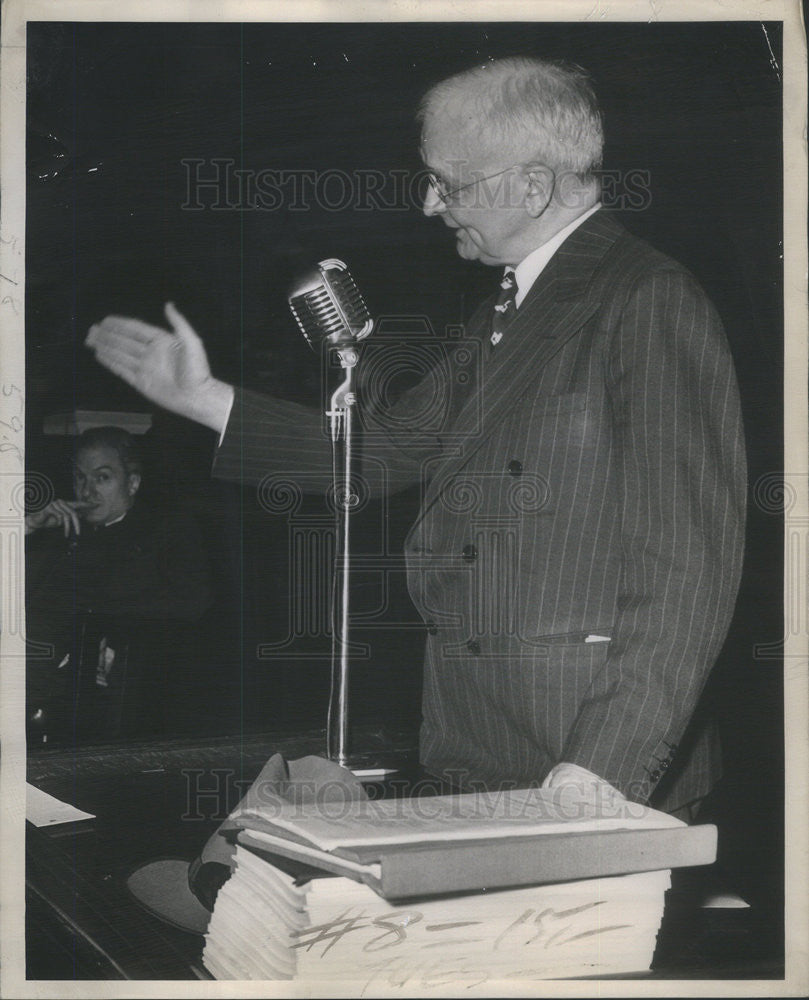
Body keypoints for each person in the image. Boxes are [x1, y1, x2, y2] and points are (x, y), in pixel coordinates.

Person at [85, 57, 746, 819]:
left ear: (530, 186)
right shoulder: (508, 313)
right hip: (479, 749)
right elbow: (380, 454)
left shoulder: (646, 299)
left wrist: (600, 768)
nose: (430, 203)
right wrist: (200, 397)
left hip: (587, 762)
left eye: (449, 182)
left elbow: (687, 573)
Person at [26, 426, 214, 740]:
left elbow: (194, 602)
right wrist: (31, 526)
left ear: (133, 483)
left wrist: (101, 623)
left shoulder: (168, 530)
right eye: (79, 478)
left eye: (102, 478)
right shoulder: (59, 531)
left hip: (100, 673)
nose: (86, 492)